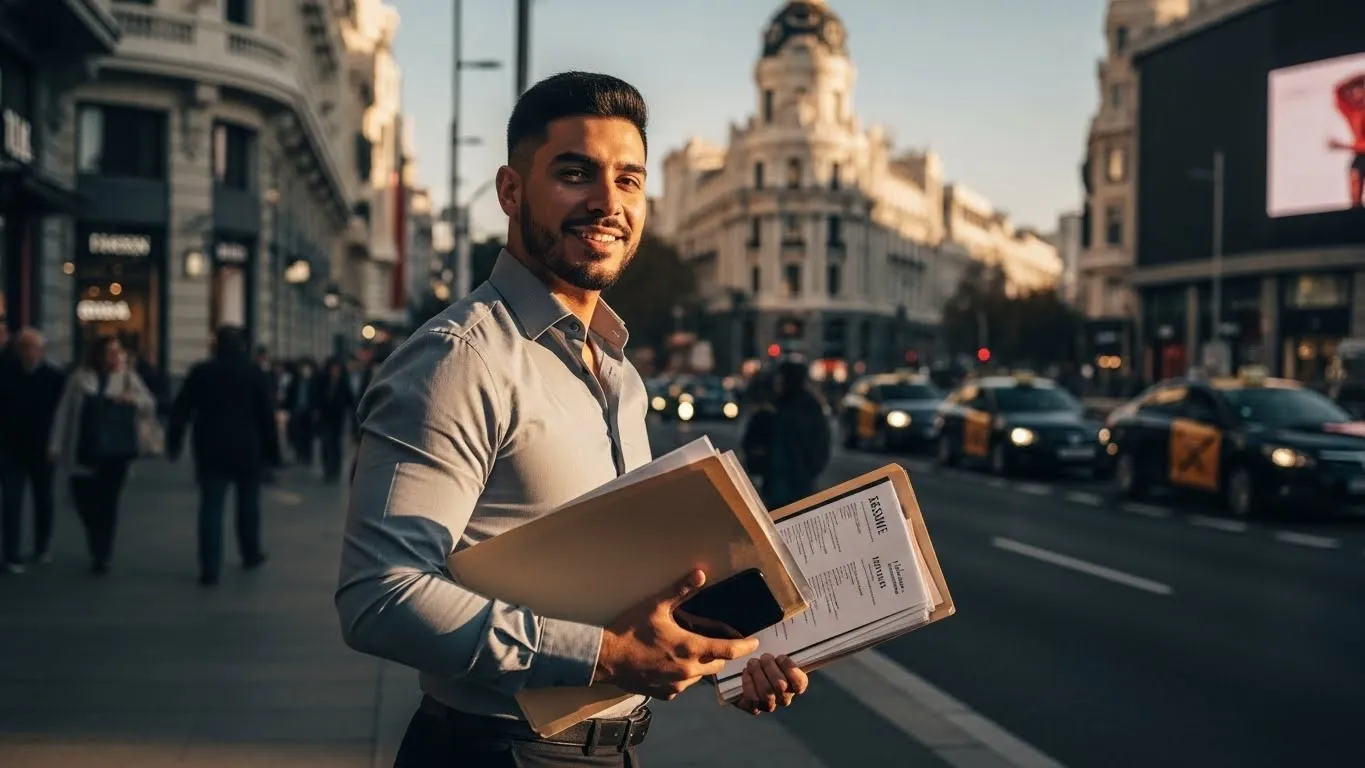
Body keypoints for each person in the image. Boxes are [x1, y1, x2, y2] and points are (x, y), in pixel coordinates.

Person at [337, 72, 808, 768]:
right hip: (494, 751)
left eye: (628, 179)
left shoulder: (619, 372)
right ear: (510, 191)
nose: (607, 202)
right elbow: (379, 595)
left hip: (608, 751)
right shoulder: (459, 359)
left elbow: (623, 595)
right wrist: (605, 655)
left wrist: (723, 658)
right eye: (574, 173)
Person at [166, 326, 280, 585]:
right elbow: (267, 418)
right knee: (248, 505)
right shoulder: (254, 374)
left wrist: (173, 443)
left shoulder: (202, 372)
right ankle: (250, 553)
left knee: (211, 507)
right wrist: (273, 453)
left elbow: (181, 409)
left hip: (211, 447)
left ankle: (210, 567)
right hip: (248, 449)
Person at [48, 335, 156, 574]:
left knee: (108, 502)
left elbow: (149, 402)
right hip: (86, 449)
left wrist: (133, 400)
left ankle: (102, 552)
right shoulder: (79, 378)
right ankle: (95, 536)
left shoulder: (127, 377)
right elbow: (64, 411)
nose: (114, 356)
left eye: (117, 351)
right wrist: (55, 444)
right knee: (83, 498)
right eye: (109, 351)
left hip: (116, 452)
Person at [0, 329, 65, 572]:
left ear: (42, 350)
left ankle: (41, 545)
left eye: (34, 347)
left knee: (43, 498)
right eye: (24, 347)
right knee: (11, 501)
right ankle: (12, 553)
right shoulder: (5, 375)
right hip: (11, 448)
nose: (29, 353)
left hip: (42, 448)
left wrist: (56, 444)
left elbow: (61, 415)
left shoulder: (54, 378)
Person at [754, 361, 832, 509]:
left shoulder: (774, 407)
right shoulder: (809, 407)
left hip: (783, 481)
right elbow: (822, 444)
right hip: (794, 481)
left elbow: (754, 442)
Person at [310, 357, 355, 484]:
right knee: (326, 444)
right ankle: (327, 469)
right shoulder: (323, 382)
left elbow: (350, 401)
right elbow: (316, 398)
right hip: (325, 418)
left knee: (335, 445)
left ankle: (335, 469)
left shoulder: (343, 384)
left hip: (337, 419)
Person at [1330, 74, 1365, 208]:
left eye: (1361, 90)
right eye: (1354, 91)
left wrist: (1343, 146)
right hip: (1360, 154)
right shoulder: (1352, 111)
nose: (1357, 94)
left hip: (1359, 150)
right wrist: (1357, 77)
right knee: (1355, 179)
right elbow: (1338, 91)